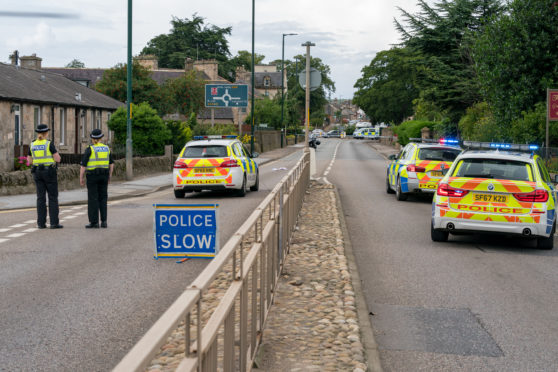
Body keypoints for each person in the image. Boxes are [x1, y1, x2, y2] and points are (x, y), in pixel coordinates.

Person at [27, 124, 63, 229]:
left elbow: (29, 160)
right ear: (46, 133)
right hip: (49, 172)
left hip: (37, 172)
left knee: (40, 198)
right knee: (52, 197)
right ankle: (54, 223)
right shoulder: (48, 144)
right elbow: (57, 159)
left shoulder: (32, 144)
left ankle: (41, 223)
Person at [79, 129, 114, 228]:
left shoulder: (90, 149)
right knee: (103, 198)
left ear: (92, 138)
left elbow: (83, 165)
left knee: (93, 199)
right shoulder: (106, 148)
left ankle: (94, 222)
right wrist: (109, 176)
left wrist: (81, 177)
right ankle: (104, 221)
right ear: (101, 138)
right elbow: (111, 164)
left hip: (92, 176)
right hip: (104, 175)